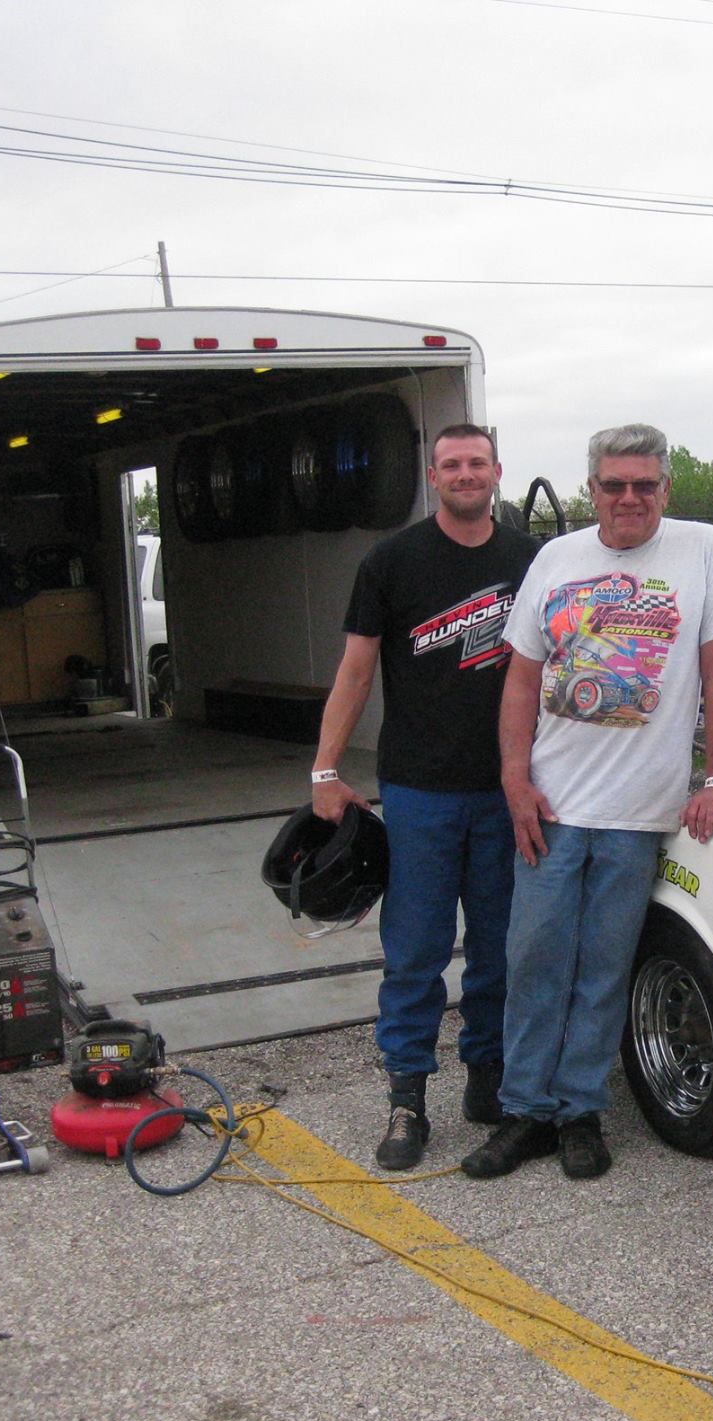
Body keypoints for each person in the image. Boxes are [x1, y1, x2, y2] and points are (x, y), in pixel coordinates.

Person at [464, 423, 713, 1181]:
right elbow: (522, 680)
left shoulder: (704, 550)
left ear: (665, 489)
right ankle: (526, 1111)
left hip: (638, 813)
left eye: (644, 485)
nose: (629, 497)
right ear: (591, 490)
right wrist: (514, 779)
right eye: (614, 485)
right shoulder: (556, 559)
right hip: (551, 809)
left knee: (603, 968)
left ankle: (580, 1112)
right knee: (533, 960)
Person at [310, 423, 538, 1170]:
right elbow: (355, 672)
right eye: (451, 465)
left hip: (509, 792)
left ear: (497, 473)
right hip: (418, 793)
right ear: (432, 477)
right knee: (414, 955)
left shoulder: (532, 561)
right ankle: (407, 1099)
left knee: (501, 948)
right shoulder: (391, 561)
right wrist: (325, 770)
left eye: (477, 463)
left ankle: (488, 1077)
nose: (465, 474)